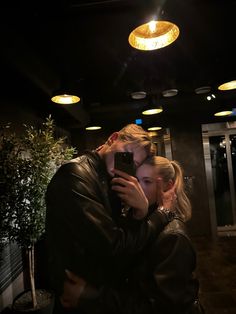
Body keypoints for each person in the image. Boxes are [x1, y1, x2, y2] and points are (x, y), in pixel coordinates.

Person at [45, 124, 176, 313]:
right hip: (76, 296)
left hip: (98, 294)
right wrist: (161, 214)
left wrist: (138, 211)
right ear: (113, 138)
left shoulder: (107, 177)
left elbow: (121, 238)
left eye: (134, 162)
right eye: (126, 151)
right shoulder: (75, 176)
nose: (126, 161)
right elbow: (115, 246)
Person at [60, 156, 204, 314]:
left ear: (168, 186)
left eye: (147, 182)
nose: (138, 188)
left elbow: (160, 307)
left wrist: (93, 297)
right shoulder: (143, 218)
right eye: (137, 180)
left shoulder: (173, 236)